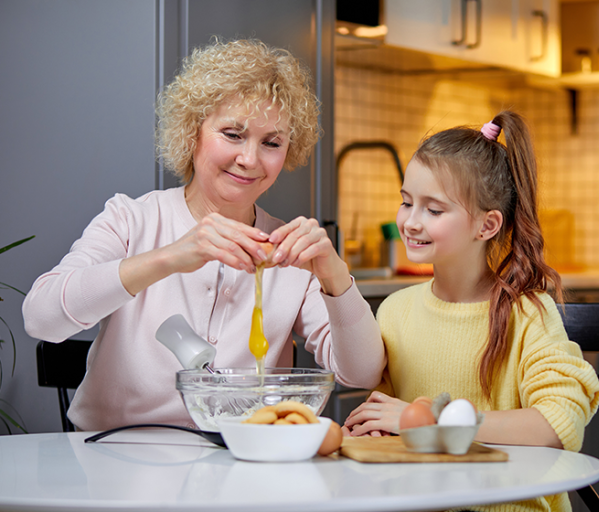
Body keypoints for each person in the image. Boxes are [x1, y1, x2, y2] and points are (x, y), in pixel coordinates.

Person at [23, 39, 385, 432]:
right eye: (232, 134)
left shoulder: (287, 251)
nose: (249, 159)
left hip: (241, 467)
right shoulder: (132, 220)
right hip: (113, 459)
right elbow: (41, 318)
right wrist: (171, 256)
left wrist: (334, 276)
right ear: (192, 130)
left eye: (271, 143)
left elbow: (362, 373)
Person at [342, 111, 599, 512]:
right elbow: (389, 430)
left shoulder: (528, 314)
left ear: (487, 225)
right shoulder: (395, 312)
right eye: (406, 202)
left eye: (434, 210)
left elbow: (558, 423)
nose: (410, 222)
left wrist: (433, 421)